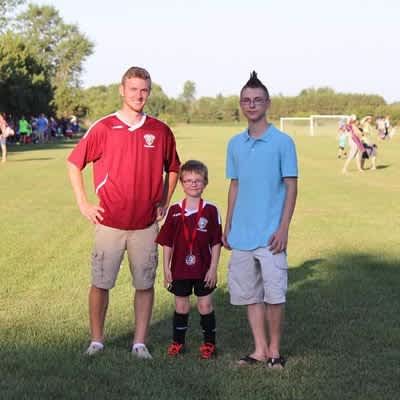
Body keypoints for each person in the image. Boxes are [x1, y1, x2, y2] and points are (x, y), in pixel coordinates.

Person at [67, 66, 181, 358]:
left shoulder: (160, 130)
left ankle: (139, 343)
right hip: (109, 222)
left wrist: (165, 201)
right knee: (100, 283)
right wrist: (83, 203)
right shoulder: (104, 127)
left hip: (145, 225)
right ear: (122, 90)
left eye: (144, 90)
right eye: (133, 89)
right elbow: (74, 163)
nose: (138, 95)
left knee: (144, 284)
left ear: (149, 92)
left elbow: (174, 168)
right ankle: (97, 340)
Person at [223, 71, 298, 368]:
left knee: (274, 295)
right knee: (250, 295)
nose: (251, 104)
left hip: (270, 234)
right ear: (241, 104)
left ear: (267, 103)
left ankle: (275, 351)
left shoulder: (283, 142)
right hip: (242, 234)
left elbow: (291, 186)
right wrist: (228, 224)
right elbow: (235, 184)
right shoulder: (234, 144)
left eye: (257, 100)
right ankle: (259, 349)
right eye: (246, 100)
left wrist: (283, 228)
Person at [156, 160, 222, 359]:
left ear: (205, 182)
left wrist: (213, 268)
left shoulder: (211, 210)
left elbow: (216, 242)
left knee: (205, 306)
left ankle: (209, 344)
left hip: (203, 269)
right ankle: (178, 343)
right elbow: (167, 242)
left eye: (198, 180)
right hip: (179, 269)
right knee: (181, 306)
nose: (193, 184)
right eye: (188, 180)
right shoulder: (175, 210)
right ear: (182, 184)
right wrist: (166, 268)